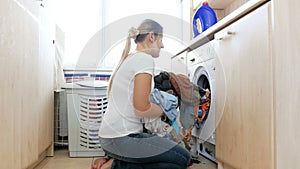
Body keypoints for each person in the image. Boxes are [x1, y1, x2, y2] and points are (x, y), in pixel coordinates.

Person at [92, 19, 191, 169]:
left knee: (178, 160)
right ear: (152, 36)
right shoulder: (144, 59)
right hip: (122, 139)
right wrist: (164, 110)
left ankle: (115, 160)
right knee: (183, 158)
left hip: (112, 138)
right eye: (161, 39)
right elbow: (142, 108)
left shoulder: (130, 58)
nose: (162, 45)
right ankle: (116, 165)